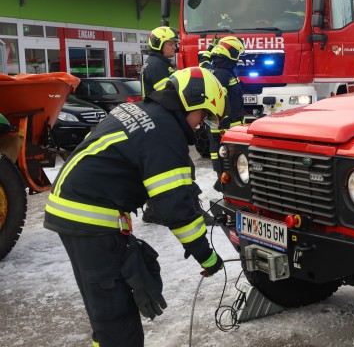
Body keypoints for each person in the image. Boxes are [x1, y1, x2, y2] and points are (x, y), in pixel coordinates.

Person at [44, 67, 226, 347]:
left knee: (104, 309)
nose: (201, 124)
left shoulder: (142, 111)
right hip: (92, 219)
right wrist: (207, 256)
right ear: (191, 100)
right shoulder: (165, 134)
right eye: (204, 115)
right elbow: (174, 207)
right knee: (116, 316)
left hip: (73, 209)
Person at [140, 26, 213, 225]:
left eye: (174, 44)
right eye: (170, 44)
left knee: (161, 169)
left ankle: (153, 211)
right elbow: (171, 97)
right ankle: (193, 211)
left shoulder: (157, 63)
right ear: (159, 45)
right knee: (183, 167)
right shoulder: (157, 66)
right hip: (164, 123)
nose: (174, 47)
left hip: (158, 122)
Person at [199, 36, 245, 188]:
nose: (238, 60)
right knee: (225, 156)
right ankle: (223, 181)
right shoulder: (223, 74)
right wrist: (223, 127)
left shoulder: (212, 68)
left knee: (220, 153)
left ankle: (222, 179)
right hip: (225, 126)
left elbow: (203, 61)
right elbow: (221, 102)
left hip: (220, 125)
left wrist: (210, 47)